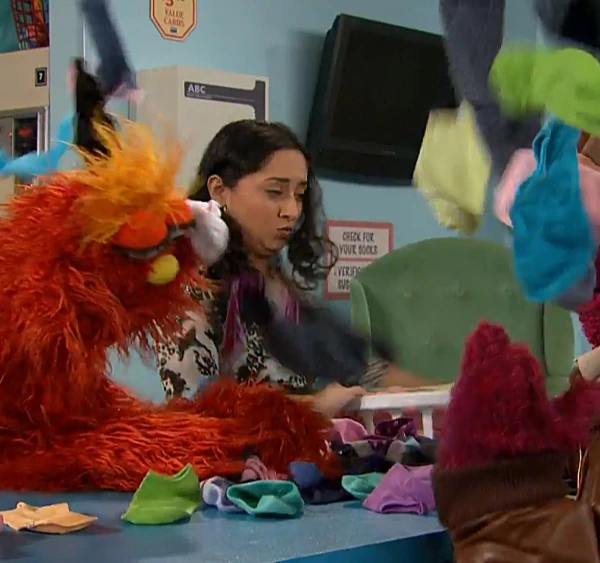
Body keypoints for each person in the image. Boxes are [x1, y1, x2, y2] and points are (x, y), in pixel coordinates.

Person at [156, 119, 425, 416]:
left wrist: (441, 394)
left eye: (298, 195)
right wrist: (312, 407)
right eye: (275, 192)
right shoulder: (189, 289)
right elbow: (190, 412)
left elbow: (359, 368)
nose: (292, 211)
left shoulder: (276, 284)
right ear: (219, 190)